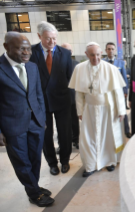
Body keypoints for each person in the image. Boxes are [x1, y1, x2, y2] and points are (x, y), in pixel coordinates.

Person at [0, 32, 54, 207]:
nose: (26, 52)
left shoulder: (32, 67)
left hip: (36, 123)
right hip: (13, 126)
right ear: (6, 47)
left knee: (35, 158)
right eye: (21, 48)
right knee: (22, 162)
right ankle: (34, 193)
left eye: (28, 48)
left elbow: (38, 95)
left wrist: (42, 118)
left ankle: (34, 186)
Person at [69, 42, 127, 177]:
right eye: (92, 55)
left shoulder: (111, 68)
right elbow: (79, 93)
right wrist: (79, 111)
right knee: (89, 138)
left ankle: (110, 162)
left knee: (108, 136)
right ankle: (91, 165)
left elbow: (117, 92)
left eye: (98, 55)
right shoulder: (79, 68)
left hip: (108, 109)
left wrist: (121, 110)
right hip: (89, 109)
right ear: (86, 54)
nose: (95, 58)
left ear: (102, 54)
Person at [30, 21, 73, 175]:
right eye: (48, 38)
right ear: (39, 36)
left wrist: (72, 102)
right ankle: (52, 163)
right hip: (41, 103)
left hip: (62, 100)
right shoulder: (30, 52)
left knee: (64, 132)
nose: (52, 42)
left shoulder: (65, 53)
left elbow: (70, 78)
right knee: (46, 134)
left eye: (54, 39)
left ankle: (65, 160)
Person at [103, 42, 131, 138]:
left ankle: (126, 130)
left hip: (119, 91)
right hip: (107, 92)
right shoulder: (102, 62)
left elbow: (124, 78)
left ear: (115, 50)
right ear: (106, 50)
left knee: (122, 111)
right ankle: (110, 132)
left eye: (112, 49)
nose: (110, 50)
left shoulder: (120, 62)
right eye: (109, 49)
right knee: (108, 111)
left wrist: (125, 91)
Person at [60, 43, 80, 149]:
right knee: (61, 124)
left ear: (72, 52)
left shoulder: (77, 64)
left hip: (73, 97)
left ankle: (76, 140)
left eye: (69, 50)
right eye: (64, 50)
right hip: (60, 98)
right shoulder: (54, 63)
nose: (67, 52)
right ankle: (62, 144)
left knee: (74, 121)